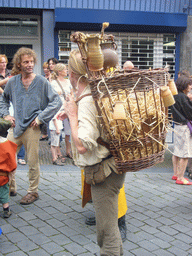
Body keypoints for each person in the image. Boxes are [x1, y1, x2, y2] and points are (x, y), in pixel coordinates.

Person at [58, 49, 126, 255]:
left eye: (69, 70)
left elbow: (82, 145)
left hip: (104, 174)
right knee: (109, 226)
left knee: (106, 232)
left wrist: (72, 115)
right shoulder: (94, 91)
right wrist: (72, 109)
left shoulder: (87, 100)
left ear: (73, 73)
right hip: (112, 168)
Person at [0, 47, 62, 204]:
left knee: (33, 162)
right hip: (15, 127)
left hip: (32, 128)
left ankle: (33, 192)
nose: (29, 64)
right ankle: (10, 188)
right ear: (19, 64)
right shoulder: (13, 81)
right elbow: (4, 99)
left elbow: (56, 101)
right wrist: (6, 114)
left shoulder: (41, 81)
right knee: (5, 157)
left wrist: (41, 118)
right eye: (26, 62)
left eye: (32, 61)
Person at [171, 75, 192, 185]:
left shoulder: (174, 95)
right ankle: (181, 178)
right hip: (184, 126)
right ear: (184, 85)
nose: (190, 86)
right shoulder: (183, 97)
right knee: (185, 153)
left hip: (177, 125)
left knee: (177, 151)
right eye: (189, 84)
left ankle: (176, 174)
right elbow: (190, 112)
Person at [51, 63, 72, 159]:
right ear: (59, 71)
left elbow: (72, 93)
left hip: (67, 107)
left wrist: (70, 98)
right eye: (65, 69)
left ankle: (68, 151)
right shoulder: (53, 83)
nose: (66, 71)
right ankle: (58, 151)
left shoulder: (68, 82)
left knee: (69, 130)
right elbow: (51, 96)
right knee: (58, 129)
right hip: (58, 108)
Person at [0, 118, 17, 218]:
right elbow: (12, 163)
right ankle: (6, 210)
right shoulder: (8, 145)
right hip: (2, 176)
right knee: (4, 192)